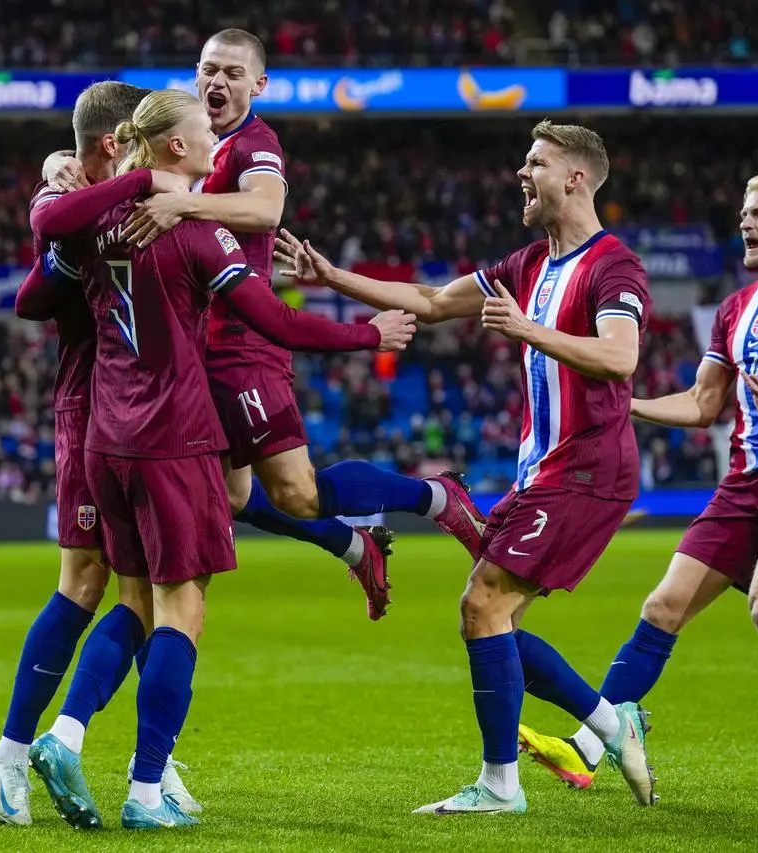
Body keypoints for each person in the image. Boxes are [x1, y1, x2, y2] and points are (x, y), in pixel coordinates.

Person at [32, 88, 414, 830]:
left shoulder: (96, 221)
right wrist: (371, 335)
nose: (216, 144)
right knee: (184, 610)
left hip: (105, 441)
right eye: (205, 132)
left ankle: (67, 732)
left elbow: (35, 267)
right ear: (174, 146)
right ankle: (146, 792)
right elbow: (275, 320)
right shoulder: (199, 234)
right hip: (174, 438)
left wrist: (100, 180)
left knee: (134, 604)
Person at [276, 119, 659, 814]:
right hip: (543, 469)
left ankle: (500, 785)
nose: (522, 172)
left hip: (589, 466)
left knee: (481, 604)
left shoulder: (614, 266)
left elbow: (620, 358)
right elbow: (428, 301)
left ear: (574, 177)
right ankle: (612, 722)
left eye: (535, 162)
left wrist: (527, 329)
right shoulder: (525, 264)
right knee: (495, 617)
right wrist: (332, 277)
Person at [44, 29, 487, 623]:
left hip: (243, 344)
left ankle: (435, 497)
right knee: (232, 496)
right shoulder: (188, 137)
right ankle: (355, 545)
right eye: (208, 70)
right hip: (191, 349)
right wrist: (60, 161)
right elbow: (118, 125)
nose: (217, 82)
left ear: (259, 85)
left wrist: (185, 203)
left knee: (297, 493)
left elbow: (265, 209)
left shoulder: (256, 143)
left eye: (232, 73)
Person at [517, 172, 758, 796]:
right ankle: (586, 750)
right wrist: (626, 402)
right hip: (743, 481)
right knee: (661, 607)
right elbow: (702, 403)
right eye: (743, 212)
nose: (745, 223)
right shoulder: (733, 310)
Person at [0, 81, 190, 828]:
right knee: (90, 580)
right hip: (92, 410)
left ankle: (153, 766)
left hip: (145, 418)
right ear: (113, 144)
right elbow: (33, 299)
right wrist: (60, 194)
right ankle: (9, 755)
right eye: (134, 140)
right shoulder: (77, 202)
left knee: (148, 585)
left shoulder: (110, 202)